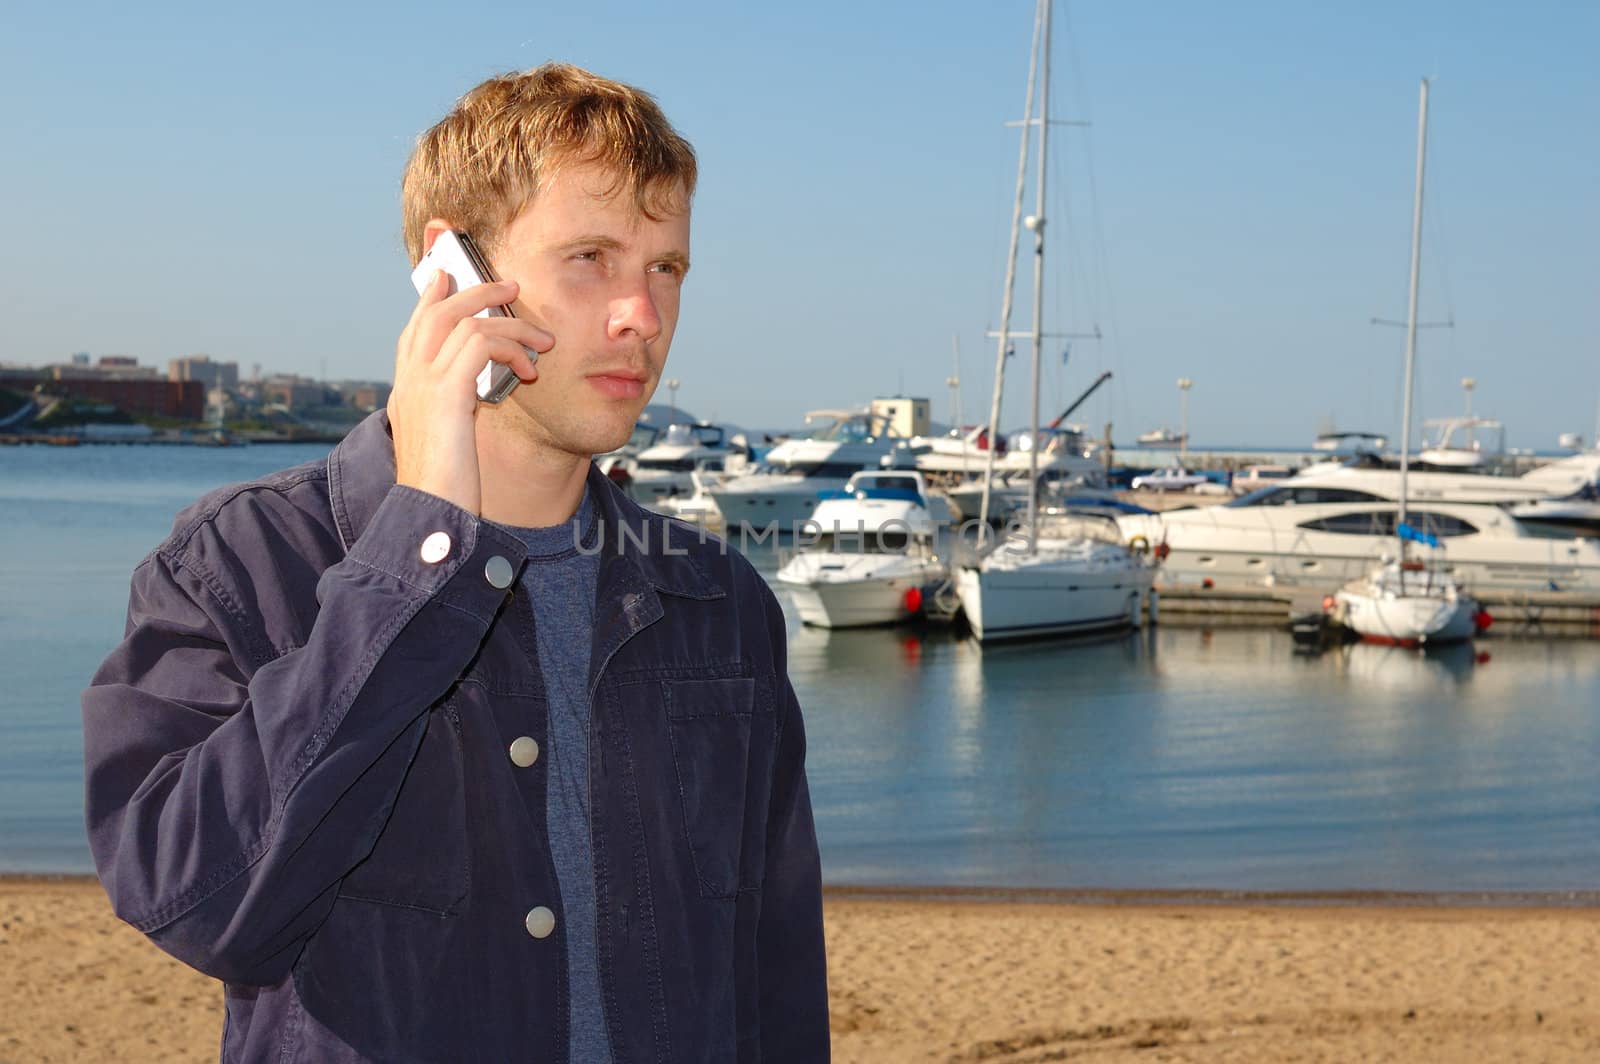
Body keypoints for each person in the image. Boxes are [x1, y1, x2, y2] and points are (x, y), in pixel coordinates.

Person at [82, 63, 829, 1063]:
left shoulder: (714, 599)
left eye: (666, 269)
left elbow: (774, 983)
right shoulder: (241, 563)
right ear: (453, 272)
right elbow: (199, 901)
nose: (641, 316)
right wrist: (416, 551)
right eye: (590, 258)